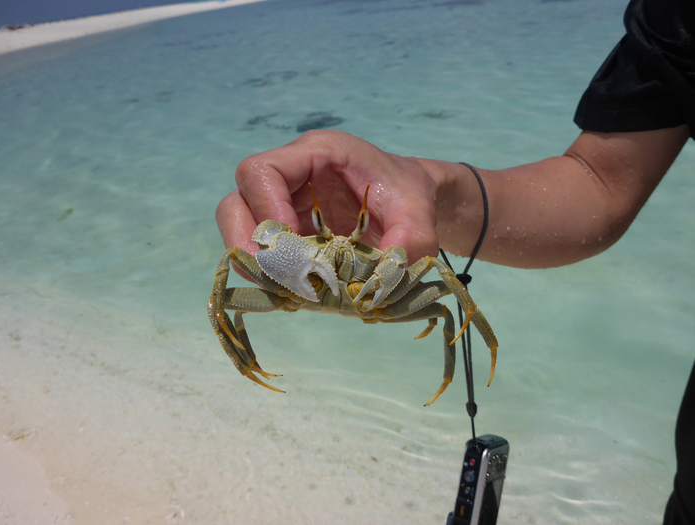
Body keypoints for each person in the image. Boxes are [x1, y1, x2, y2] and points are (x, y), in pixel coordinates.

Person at [214, 0, 694, 522]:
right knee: (230, 287)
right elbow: (603, 181)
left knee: (443, 300)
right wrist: (425, 189)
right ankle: (248, 363)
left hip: (381, 298)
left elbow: (447, 297)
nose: (338, 254)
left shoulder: (394, 282)